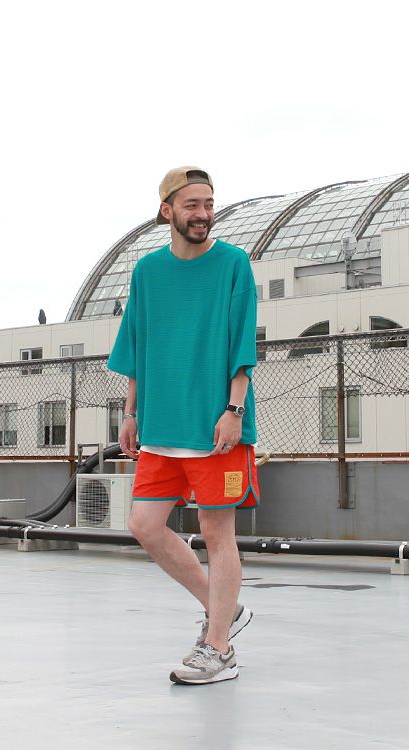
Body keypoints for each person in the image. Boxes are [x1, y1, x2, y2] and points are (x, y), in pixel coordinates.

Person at [107, 166, 259, 685]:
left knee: (217, 532)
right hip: (160, 428)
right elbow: (137, 345)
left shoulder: (233, 263)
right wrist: (130, 412)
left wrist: (234, 410)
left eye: (209, 204)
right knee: (144, 526)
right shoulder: (147, 272)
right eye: (192, 204)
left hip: (217, 428)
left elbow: (242, 344)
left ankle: (218, 648)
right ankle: (223, 609)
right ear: (167, 210)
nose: (203, 214)